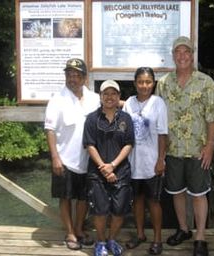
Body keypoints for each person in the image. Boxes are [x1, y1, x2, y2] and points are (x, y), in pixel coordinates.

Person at [156, 36, 214, 256]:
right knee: (176, 192)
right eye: (178, 52)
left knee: (199, 194)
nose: (182, 56)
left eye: (186, 52)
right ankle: (183, 229)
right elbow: (158, 118)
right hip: (173, 149)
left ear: (192, 56)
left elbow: (213, 117)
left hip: (197, 150)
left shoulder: (206, 82)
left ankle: (200, 237)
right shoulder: (163, 83)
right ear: (173, 55)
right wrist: (161, 153)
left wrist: (210, 145)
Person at [44, 58, 98, 250]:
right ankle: (69, 232)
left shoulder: (94, 98)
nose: (72, 79)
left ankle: (79, 229)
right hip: (64, 159)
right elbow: (50, 129)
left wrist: (131, 103)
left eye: (76, 75)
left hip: (88, 159)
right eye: (69, 75)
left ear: (84, 78)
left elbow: (112, 103)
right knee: (65, 197)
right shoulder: (57, 99)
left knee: (84, 198)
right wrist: (55, 157)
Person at [83, 80, 135, 256]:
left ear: (119, 97)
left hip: (121, 171)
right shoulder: (91, 118)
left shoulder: (126, 119)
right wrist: (103, 168)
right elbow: (90, 145)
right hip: (97, 172)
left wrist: (112, 165)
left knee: (119, 210)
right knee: (100, 209)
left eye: (113, 93)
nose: (109, 97)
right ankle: (101, 241)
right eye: (106, 93)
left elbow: (129, 144)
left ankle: (112, 239)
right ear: (100, 97)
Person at [123, 67, 168, 255]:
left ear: (153, 83)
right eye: (140, 82)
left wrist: (161, 160)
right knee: (137, 201)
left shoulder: (158, 103)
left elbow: (163, 135)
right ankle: (140, 234)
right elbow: (123, 131)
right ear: (135, 83)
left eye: (148, 82)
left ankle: (157, 239)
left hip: (152, 163)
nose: (144, 85)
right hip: (133, 164)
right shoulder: (129, 104)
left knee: (154, 202)